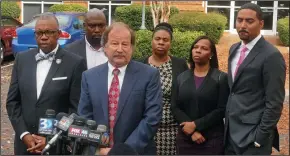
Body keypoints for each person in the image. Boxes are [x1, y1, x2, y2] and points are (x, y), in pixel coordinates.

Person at [77, 22, 163, 155]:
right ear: (104, 47)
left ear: (132, 48)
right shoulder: (89, 77)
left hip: (136, 152)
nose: (119, 49)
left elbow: (152, 117)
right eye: (114, 43)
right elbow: (85, 115)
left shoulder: (149, 75)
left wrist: (120, 152)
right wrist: (99, 149)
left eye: (125, 44)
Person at [6, 14, 86, 155]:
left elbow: (75, 110)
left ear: (59, 34)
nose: (44, 37)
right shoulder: (22, 60)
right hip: (25, 145)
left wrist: (52, 138)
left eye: (49, 32)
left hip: (56, 146)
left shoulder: (74, 63)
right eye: (39, 33)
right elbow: (13, 102)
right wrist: (24, 134)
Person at [225, 3, 286, 155]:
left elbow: (275, 102)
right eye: (239, 20)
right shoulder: (234, 49)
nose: (243, 25)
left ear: (261, 23)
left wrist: (260, 137)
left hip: (252, 139)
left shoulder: (271, 56)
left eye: (249, 21)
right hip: (230, 134)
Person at [171, 36, 229, 155]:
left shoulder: (221, 78)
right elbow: (175, 106)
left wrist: (196, 125)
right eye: (195, 47)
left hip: (211, 139)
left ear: (211, 54)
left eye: (204, 48)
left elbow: (222, 109)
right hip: (186, 138)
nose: (198, 50)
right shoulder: (181, 78)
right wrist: (191, 131)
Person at [141, 22, 188, 155]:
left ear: (170, 43)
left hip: (172, 129)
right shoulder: (139, 64)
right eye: (157, 39)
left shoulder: (179, 65)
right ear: (152, 41)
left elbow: (186, 95)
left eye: (165, 40)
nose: (161, 42)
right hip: (145, 128)